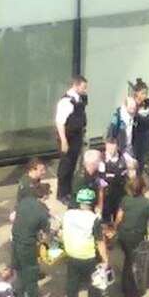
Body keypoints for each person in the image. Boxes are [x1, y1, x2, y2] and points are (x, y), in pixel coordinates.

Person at [61, 187, 109, 297]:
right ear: (92, 203)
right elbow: (100, 242)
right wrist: (105, 260)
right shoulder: (94, 219)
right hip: (88, 256)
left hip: (71, 253)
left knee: (72, 283)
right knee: (96, 282)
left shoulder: (68, 214)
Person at [11, 181, 53, 297]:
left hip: (15, 241)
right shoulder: (42, 211)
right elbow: (46, 233)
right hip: (28, 245)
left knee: (19, 272)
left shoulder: (23, 202)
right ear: (45, 196)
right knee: (31, 276)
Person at [115, 176, 149, 297]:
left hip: (123, 234)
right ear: (143, 189)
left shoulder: (125, 200)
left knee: (128, 259)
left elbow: (119, 217)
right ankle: (129, 290)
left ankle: (125, 286)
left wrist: (115, 228)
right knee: (132, 262)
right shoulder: (147, 203)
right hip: (136, 237)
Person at [55, 75, 89, 205]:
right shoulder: (66, 102)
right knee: (65, 165)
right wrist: (63, 141)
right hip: (68, 137)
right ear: (75, 85)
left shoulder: (80, 99)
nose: (85, 90)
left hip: (77, 136)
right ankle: (62, 193)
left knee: (73, 164)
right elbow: (60, 122)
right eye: (83, 87)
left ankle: (69, 190)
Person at [99, 135, 137, 224]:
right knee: (106, 220)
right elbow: (99, 178)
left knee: (120, 218)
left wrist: (132, 167)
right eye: (109, 147)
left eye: (113, 147)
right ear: (106, 146)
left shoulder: (124, 156)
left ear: (117, 146)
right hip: (107, 193)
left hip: (121, 191)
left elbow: (134, 165)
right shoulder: (101, 158)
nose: (111, 150)